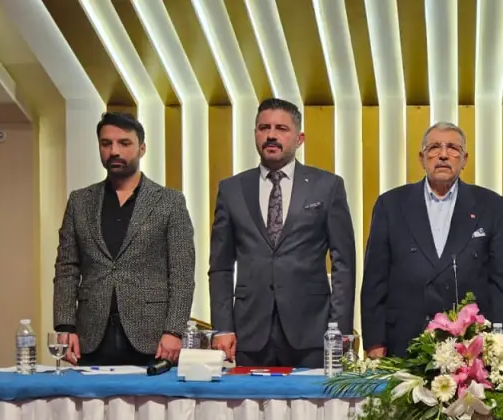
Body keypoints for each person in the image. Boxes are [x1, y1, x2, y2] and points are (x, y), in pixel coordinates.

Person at [208, 98, 356, 367]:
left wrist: (340, 330)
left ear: (299, 139)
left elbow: (343, 264)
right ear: (255, 133)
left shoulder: (327, 186)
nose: (271, 135)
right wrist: (222, 327)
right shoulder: (231, 189)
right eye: (264, 128)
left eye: (281, 128)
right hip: (249, 332)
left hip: (312, 330)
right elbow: (220, 266)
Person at [361, 121, 503, 357]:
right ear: (422, 158)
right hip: (404, 342)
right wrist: (375, 342)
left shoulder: (491, 206)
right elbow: (375, 280)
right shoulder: (391, 204)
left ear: (465, 159)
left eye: (453, 148)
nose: (444, 155)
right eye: (434, 147)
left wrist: (499, 343)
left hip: (472, 346)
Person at [53, 111, 194, 366]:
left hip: (153, 337)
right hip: (91, 336)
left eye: (124, 143)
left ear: (142, 148)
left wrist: (174, 330)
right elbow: (67, 268)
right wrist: (65, 325)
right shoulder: (80, 201)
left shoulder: (170, 202)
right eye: (106, 144)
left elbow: (182, 273)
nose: (114, 151)